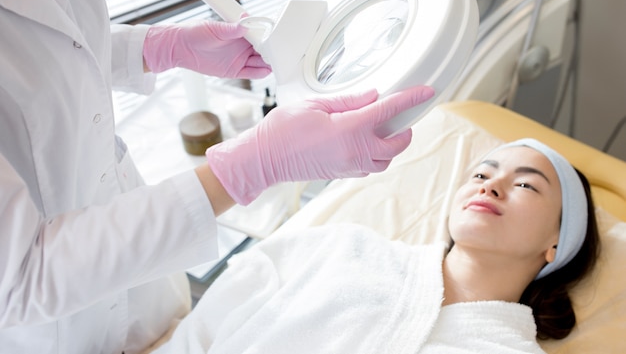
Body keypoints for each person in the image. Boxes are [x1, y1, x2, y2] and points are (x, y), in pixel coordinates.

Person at [0, 0, 435, 353]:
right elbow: (20, 278)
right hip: (50, 330)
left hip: (136, 268)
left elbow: (51, 46)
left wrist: (153, 48)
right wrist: (254, 164)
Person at [151, 138, 600, 354]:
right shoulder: (343, 248)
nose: (491, 186)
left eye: (525, 184)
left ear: (556, 242)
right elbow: (203, 331)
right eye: (481, 174)